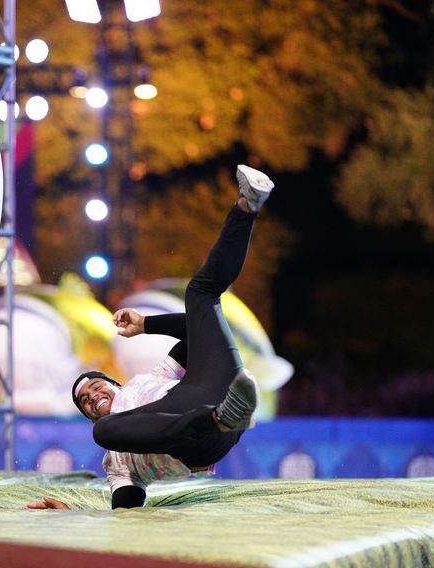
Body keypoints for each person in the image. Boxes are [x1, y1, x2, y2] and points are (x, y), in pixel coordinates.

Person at [27, 164, 274, 511]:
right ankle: (221, 417)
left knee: (199, 294)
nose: (92, 396)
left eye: (94, 386)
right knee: (105, 433)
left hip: (214, 387)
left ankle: (248, 205)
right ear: (89, 414)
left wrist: (145, 324)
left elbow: (193, 330)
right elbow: (126, 503)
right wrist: (71, 512)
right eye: (85, 401)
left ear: (116, 384)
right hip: (202, 438)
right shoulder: (116, 455)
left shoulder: (152, 379)